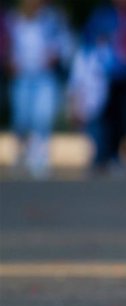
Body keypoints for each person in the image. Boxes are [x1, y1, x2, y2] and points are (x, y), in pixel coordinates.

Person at [5, 0, 71, 179]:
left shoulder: (53, 19)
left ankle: (40, 157)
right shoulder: (13, 20)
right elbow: (6, 45)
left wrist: (55, 55)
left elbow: (65, 43)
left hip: (45, 76)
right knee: (22, 117)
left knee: (42, 116)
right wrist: (9, 62)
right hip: (22, 76)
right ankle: (21, 151)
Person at [85, 0, 126, 175]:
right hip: (106, 78)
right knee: (106, 119)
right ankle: (104, 156)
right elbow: (89, 45)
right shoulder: (102, 17)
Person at [66, 38, 110, 174]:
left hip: (105, 102)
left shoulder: (106, 53)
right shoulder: (83, 55)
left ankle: (103, 159)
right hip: (89, 104)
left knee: (103, 131)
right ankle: (97, 160)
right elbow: (76, 83)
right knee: (93, 133)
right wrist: (75, 106)